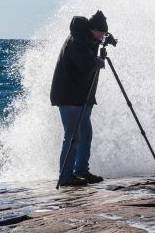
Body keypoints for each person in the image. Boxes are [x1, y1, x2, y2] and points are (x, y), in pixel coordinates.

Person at [50, 10, 108, 186]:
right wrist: (100, 61)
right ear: (94, 30)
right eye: (102, 34)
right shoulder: (76, 41)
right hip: (69, 96)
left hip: (81, 96)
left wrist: (105, 41)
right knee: (73, 136)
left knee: (85, 134)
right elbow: (86, 64)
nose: (102, 38)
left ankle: (81, 170)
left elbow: (90, 50)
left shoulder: (87, 38)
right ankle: (66, 176)